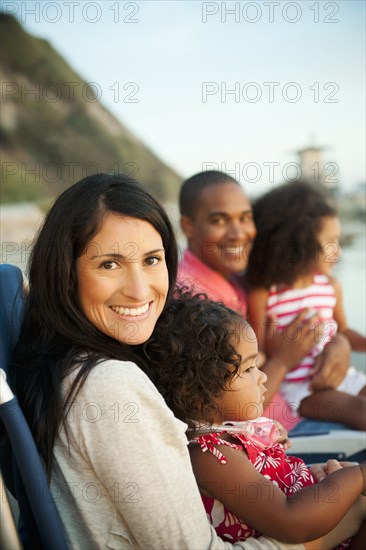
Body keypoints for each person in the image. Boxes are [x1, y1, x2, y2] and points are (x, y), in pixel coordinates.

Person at [10, 172, 306, 550]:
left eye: (152, 260)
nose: (139, 290)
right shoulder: (111, 387)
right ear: (66, 274)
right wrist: (320, 533)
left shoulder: (70, 361)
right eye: (109, 264)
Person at [146, 292, 366, 548]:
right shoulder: (212, 456)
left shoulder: (236, 429)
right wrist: (359, 476)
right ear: (198, 392)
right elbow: (291, 522)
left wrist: (322, 477)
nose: (263, 377)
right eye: (249, 368)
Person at [178, 170, 352, 431]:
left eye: (246, 218)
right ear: (188, 226)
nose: (238, 233)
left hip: (290, 413)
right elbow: (231, 416)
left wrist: (341, 341)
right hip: (269, 435)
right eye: (219, 220)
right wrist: (281, 361)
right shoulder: (191, 300)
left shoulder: (236, 279)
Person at [246, 181, 366, 430]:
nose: (338, 251)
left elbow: (342, 331)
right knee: (361, 411)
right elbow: (256, 351)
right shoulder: (266, 294)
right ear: (298, 243)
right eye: (331, 241)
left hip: (345, 378)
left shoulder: (330, 285)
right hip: (302, 391)